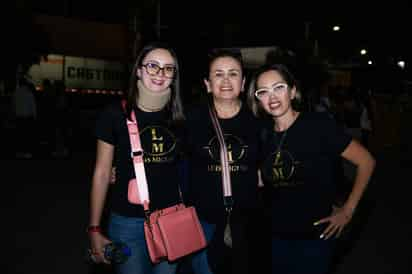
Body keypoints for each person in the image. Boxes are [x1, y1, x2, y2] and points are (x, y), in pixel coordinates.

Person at [247, 63, 376, 274]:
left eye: (279, 87)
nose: (272, 97)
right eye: (263, 91)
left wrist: (348, 210)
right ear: (258, 100)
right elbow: (262, 178)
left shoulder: (318, 125)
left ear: (293, 91)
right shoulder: (263, 134)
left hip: (315, 237)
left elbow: (367, 161)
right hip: (277, 236)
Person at [88, 42, 185, 274]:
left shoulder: (180, 117)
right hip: (126, 224)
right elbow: (101, 174)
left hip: (171, 221)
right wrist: (94, 228)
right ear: (139, 70)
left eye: (168, 68)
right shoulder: (114, 114)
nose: (160, 74)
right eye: (153, 66)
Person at [184, 49, 264, 274]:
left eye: (233, 73)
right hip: (201, 221)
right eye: (218, 74)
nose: (226, 80)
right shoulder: (191, 119)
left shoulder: (259, 121)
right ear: (208, 83)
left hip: (245, 221)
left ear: (243, 82)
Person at [12, 75, 38, 159]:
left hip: (18, 117)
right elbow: (33, 106)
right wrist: (34, 116)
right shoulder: (29, 93)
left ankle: (19, 152)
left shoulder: (15, 93)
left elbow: (13, 105)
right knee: (27, 136)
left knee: (19, 136)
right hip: (27, 118)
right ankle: (26, 152)